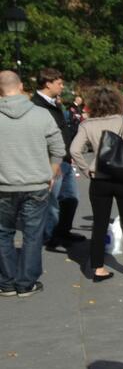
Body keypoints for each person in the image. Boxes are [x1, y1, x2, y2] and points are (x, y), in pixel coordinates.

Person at [70, 85, 123, 282]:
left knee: (100, 223)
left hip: (99, 178)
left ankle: (98, 268)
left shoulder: (86, 125)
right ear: (117, 102)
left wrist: (86, 170)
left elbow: (74, 150)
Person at [0, 70, 65, 297]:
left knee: (3, 233)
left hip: (3, 186)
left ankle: (6, 282)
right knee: (32, 234)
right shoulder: (41, 114)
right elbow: (58, 149)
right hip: (36, 183)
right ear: (20, 87)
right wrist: (51, 172)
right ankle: (26, 282)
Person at [32, 68, 85, 251]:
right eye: (59, 83)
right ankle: (51, 235)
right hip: (52, 160)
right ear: (48, 83)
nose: (62, 86)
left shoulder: (54, 103)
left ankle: (63, 231)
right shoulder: (37, 105)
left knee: (70, 198)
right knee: (53, 201)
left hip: (64, 158)